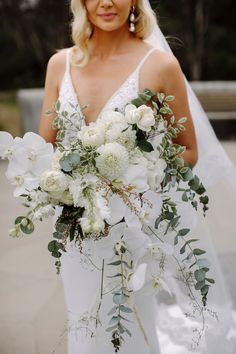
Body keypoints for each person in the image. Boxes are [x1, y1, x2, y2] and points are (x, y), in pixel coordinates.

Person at [39, 1, 236, 353]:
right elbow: (44, 147)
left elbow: (188, 150)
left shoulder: (159, 65)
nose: (107, 3)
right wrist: (67, 183)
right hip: (76, 228)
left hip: (133, 226)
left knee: (131, 323)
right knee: (84, 322)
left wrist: (135, 182)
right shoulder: (59, 64)